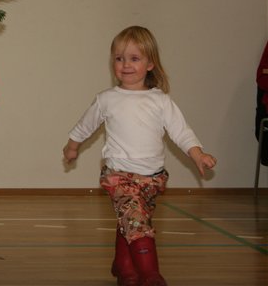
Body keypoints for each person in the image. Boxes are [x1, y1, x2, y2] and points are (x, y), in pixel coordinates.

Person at [62, 25, 217, 286]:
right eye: (119, 58)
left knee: (133, 222)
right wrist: (72, 146)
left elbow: (181, 131)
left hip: (152, 180)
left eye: (134, 58)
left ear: (150, 64)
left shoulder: (160, 101)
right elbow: (84, 126)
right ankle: (150, 275)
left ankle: (125, 267)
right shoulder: (107, 99)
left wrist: (198, 154)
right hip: (119, 177)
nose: (125, 65)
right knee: (137, 223)